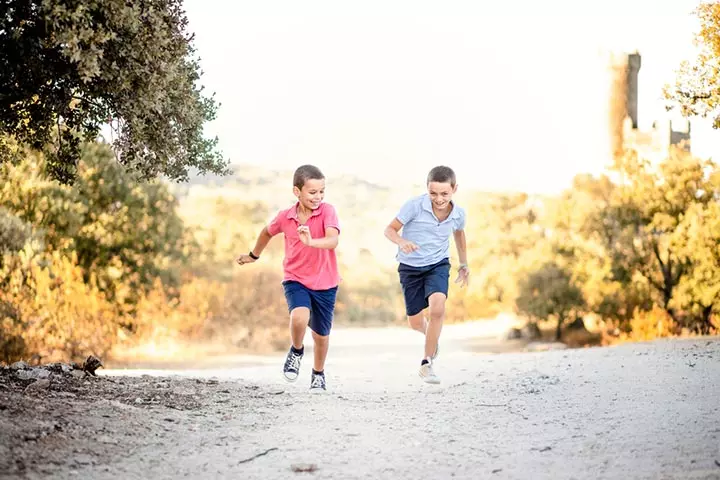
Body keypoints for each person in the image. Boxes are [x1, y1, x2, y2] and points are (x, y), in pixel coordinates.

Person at [236, 165, 340, 393]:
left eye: (322, 191)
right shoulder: (286, 217)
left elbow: (333, 240)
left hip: (326, 282)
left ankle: (318, 374)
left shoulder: (328, 211)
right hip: (295, 278)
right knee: (299, 316)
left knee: (321, 336)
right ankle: (296, 350)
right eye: (312, 192)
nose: (318, 197)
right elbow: (266, 232)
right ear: (297, 192)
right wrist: (254, 255)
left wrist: (312, 242)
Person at [383, 165, 469, 384]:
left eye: (444, 193)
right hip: (410, 268)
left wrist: (464, 264)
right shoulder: (414, 206)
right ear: (427, 189)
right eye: (433, 193)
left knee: (438, 307)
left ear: (454, 189)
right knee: (414, 322)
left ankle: (427, 363)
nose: (438, 198)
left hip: (438, 265)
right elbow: (389, 229)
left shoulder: (458, 214)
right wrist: (402, 242)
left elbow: (459, 235)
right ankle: (432, 337)